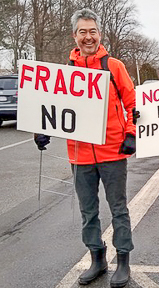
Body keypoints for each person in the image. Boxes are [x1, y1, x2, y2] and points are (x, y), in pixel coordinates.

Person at [34, 8, 137, 288]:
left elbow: (133, 104)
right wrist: (43, 131)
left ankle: (123, 259)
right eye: (83, 32)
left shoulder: (114, 67)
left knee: (118, 208)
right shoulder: (65, 73)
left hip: (113, 153)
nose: (88, 37)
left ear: (99, 34)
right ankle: (97, 258)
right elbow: (51, 109)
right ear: (75, 36)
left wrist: (131, 134)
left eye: (92, 31)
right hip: (79, 155)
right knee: (88, 211)